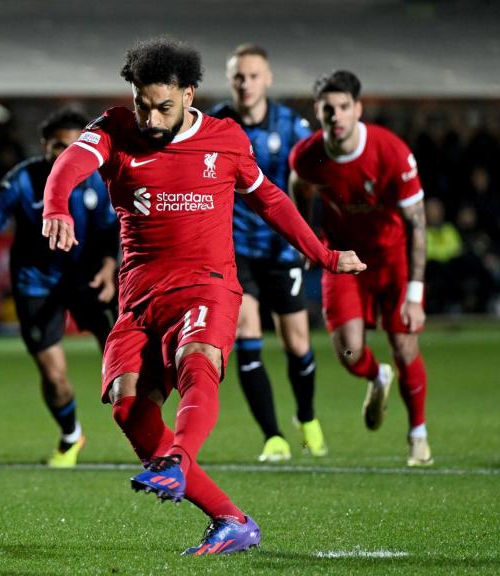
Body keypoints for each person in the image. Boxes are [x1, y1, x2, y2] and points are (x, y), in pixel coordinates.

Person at [41, 37, 364, 555]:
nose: (150, 117)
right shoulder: (115, 129)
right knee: (128, 410)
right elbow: (68, 166)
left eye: (163, 106)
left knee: (198, 361)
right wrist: (56, 206)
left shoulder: (225, 139)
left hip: (207, 285)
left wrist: (323, 255)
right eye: (142, 103)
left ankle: (177, 461)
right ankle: (231, 520)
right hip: (140, 299)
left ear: (189, 94)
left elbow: (271, 199)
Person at [0, 108, 119, 468]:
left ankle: (151, 443)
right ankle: (71, 435)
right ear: (44, 147)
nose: (67, 154)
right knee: (55, 378)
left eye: (74, 146)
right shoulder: (22, 182)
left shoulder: (99, 180)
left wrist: (108, 265)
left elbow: (112, 230)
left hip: (86, 278)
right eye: (58, 146)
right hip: (36, 284)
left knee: (123, 368)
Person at [289, 70, 433, 467]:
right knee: (351, 353)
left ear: (358, 109)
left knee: (405, 346)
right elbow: (298, 185)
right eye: (327, 109)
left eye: (343, 107)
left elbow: (418, 224)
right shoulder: (308, 154)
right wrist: (307, 239)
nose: (335, 116)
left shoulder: (391, 153)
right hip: (343, 261)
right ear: (318, 112)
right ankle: (375, 376)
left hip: (391, 261)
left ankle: (417, 435)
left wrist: (415, 294)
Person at [209, 44, 323, 462]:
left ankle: (307, 417)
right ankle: (272, 436)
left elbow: (312, 182)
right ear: (230, 80)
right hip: (234, 251)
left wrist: (311, 234)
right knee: (247, 333)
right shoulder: (216, 124)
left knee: (297, 342)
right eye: (239, 76)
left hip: (280, 247)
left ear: (268, 79)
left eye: (254, 75)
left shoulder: (293, 127)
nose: (246, 83)